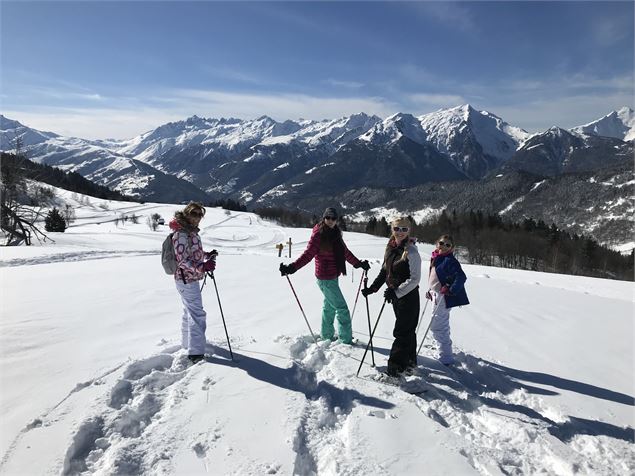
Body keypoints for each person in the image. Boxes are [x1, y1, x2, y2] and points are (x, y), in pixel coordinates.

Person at [279, 207, 370, 344]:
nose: (331, 221)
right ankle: (346, 341)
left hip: (333, 277)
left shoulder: (336, 234)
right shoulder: (318, 235)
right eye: (328, 218)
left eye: (334, 218)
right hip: (325, 278)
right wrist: (292, 267)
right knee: (342, 309)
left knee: (329, 307)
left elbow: (345, 252)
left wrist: (358, 264)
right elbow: (308, 254)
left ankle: (326, 335)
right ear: (324, 218)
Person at [362, 217, 421, 377]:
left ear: (409, 231)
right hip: (397, 297)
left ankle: (395, 372)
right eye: (397, 229)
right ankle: (410, 364)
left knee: (402, 333)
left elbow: (414, 280)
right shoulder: (391, 248)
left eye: (404, 229)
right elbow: (385, 271)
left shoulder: (411, 251)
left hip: (408, 297)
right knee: (407, 332)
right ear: (392, 230)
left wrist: (396, 292)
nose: (400, 232)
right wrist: (373, 288)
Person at [170, 202, 217, 363]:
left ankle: (187, 344)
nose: (197, 217)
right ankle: (196, 353)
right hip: (186, 279)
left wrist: (206, 255)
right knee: (197, 314)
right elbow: (182, 260)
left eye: (199, 214)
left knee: (188, 311)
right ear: (186, 213)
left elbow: (193, 252)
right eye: (194, 213)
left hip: (189, 279)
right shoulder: (181, 234)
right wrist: (202, 267)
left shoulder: (191, 233)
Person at [425, 234, 469, 366]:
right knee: (440, 324)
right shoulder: (436, 257)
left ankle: (446, 357)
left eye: (447, 245)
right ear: (436, 243)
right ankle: (444, 349)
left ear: (452, 248)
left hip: (443, 297)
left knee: (438, 326)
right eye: (441, 243)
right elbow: (436, 277)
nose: (443, 246)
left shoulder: (450, 260)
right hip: (436, 294)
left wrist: (450, 289)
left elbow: (461, 277)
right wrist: (430, 290)